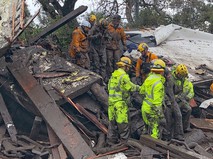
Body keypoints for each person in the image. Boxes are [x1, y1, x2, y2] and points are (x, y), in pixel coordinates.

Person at [107, 57, 140, 144]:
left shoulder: (113, 75)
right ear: (125, 67)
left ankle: (111, 143)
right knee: (123, 126)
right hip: (120, 105)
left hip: (111, 104)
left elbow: (108, 88)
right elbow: (131, 87)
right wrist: (142, 88)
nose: (128, 69)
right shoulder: (124, 76)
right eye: (128, 67)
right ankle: (124, 145)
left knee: (112, 126)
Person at [140, 59, 166, 139]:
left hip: (145, 108)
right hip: (152, 111)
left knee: (147, 129)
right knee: (155, 133)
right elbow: (157, 103)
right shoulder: (159, 84)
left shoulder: (148, 79)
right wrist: (161, 116)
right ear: (162, 71)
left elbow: (141, 91)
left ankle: (143, 144)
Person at [170, 64, 194, 133]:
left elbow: (188, 90)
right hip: (171, 99)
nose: (182, 77)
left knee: (188, 109)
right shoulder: (171, 78)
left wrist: (185, 98)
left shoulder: (184, 79)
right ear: (177, 73)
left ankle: (185, 128)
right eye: (181, 75)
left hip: (180, 99)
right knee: (175, 113)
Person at [164, 67, 185, 141]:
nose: (169, 76)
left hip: (173, 101)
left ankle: (178, 134)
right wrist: (167, 102)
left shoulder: (171, 81)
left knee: (179, 116)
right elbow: (163, 94)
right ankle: (167, 136)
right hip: (167, 103)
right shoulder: (162, 83)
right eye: (168, 75)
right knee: (168, 119)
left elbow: (175, 90)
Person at [106, 14, 127, 79]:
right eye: (115, 20)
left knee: (117, 61)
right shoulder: (108, 27)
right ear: (113, 20)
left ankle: (117, 74)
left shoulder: (120, 28)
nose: (117, 21)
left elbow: (123, 37)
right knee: (109, 61)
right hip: (109, 47)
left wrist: (124, 45)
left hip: (117, 47)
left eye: (118, 20)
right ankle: (110, 75)